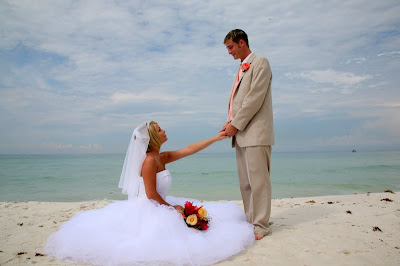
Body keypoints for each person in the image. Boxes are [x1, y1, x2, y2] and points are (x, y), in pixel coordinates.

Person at [45, 121, 255, 265]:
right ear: (154, 137)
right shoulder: (148, 162)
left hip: (161, 203)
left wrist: (216, 138)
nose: (164, 131)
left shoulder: (160, 157)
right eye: (160, 129)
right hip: (153, 206)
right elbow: (151, 193)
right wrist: (173, 208)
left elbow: (188, 149)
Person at [221, 29, 274, 240]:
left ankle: (261, 225)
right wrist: (229, 121)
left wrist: (235, 124)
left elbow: (254, 99)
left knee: (259, 181)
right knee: (245, 182)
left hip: (256, 133)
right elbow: (238, 101)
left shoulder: (261, 62)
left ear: (242, 43)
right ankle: (251, 220)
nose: (229, 52)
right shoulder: (241, 69)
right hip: (241, 133)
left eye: (230, 47)